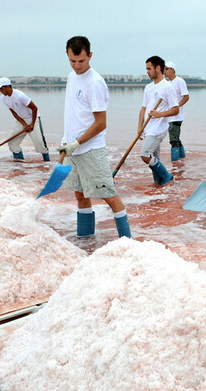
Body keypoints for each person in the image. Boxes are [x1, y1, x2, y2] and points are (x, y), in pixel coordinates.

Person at [57, 35, 131, 239]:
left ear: (90, 55)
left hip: (90, 149)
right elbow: (73, 113)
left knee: (109, 195)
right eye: (73, 61)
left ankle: (128, 244)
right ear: (67, 56)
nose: (77, 66)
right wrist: (66, 142)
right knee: (80, 195)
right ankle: (85, 242)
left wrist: (76, 143)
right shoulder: (72, 77)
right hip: (72, 148)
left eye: (81, 60)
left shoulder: (95, 83)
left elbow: (101, 123)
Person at [138, 55, 179, 186]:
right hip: (148, 128)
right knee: (154, 159)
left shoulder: (167, 87)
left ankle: (167, 177)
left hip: (158, 129)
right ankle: (159, 184)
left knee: (145, 155)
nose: (147, 72)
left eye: (149, 69)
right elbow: (143, 109)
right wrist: (140, 128)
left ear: (158, 68)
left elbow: (175, 109)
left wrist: (159, 114)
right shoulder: (148, 87)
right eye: (146, 69)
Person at [0, 77, 50, 162]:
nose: (0, 91)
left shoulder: (20, 96)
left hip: (33, 118)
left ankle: (47, 163)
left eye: (1, 89)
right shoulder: (3, 98)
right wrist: (24, 124)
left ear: (8, 87)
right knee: (12, 141)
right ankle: (19, 164)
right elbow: (13, 112)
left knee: (39, 144)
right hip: (21, 120)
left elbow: (34, 108)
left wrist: (32, 124)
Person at [164, 61, 189, 161]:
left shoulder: (179, 81)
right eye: (164, 69)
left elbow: (186, 97)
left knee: (173, 140)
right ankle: (182, 160)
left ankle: (175, 164)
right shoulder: (167, 83)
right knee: (176, 138)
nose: (164, 71)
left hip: (177, 116)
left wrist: (176, 107)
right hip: (169, 116)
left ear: (173, 70)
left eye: (166, 69)